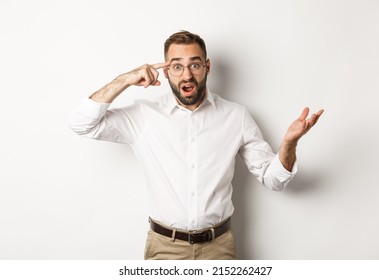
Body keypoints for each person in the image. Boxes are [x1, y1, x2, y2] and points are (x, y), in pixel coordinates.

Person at [69, 30, 324, 260]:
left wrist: (289, 143)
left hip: (219, 248)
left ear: (207, 67)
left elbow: (274, 180)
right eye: (177, 67)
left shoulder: (236, 116)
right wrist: (124, 80)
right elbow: (82, 124)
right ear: (166, 71)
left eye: (194, 64)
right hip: (164, 249)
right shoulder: (143, 116)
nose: (187, 74)